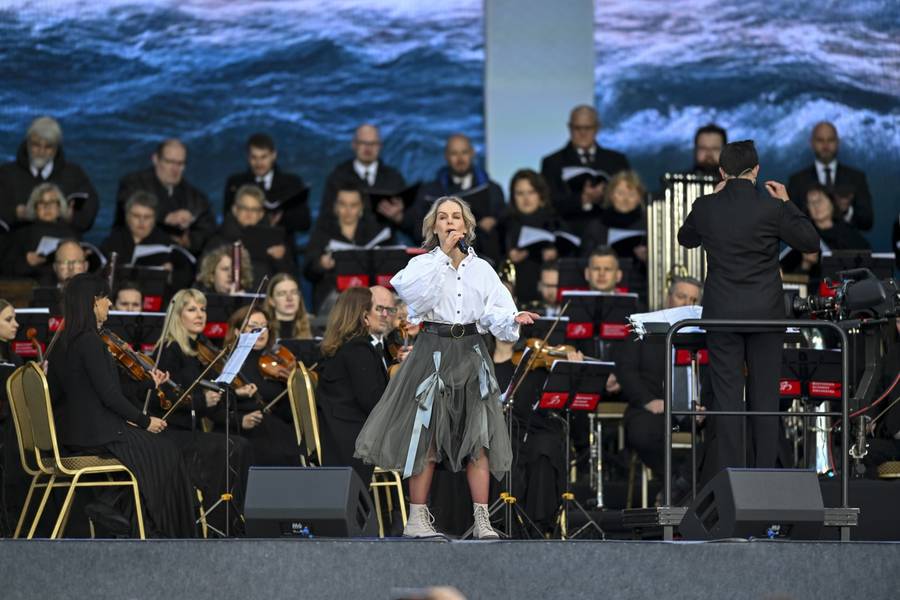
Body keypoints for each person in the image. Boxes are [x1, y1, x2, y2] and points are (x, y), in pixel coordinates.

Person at [355, 196, 539, 539]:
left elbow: (493, 312)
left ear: (466, 227)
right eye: (443, 218)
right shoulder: (423, 265)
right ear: (434, 227)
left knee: (478, 437)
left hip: (470, 350)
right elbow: (416, 299)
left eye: (457, 217)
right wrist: (443, 257)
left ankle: (482, 519)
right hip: (433, 350)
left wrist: (513, 317)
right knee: (426, 437)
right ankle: (416, 519)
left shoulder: (482, 269)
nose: (450, 222)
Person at [678, 140, 820, 478]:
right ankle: (764, 482)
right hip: (765, 316)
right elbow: (811, 243)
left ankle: (729, 485)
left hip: (722, 316)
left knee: (726, 404)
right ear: (756, 170)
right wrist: (787, 202)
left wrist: (712, 199)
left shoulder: (706, 206)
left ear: (722, 172)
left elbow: (686, 238)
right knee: (765, 402)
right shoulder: (772, 207)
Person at [45, 273, 195, 537]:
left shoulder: (61, 342)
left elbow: (93, 392)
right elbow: (109, 396)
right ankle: (154, 528)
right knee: (166, 452)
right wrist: (145, 421)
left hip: (75, 433)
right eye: (106, 298)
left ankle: (119, 511)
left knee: (154, 451)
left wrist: (148, 385)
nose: (110, 304)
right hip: (97, 435)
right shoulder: (90, 341)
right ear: (93, 302)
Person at [154, 288, 252, 534]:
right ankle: (218, 523)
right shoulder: (168, 351)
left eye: (203, 309)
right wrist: (200, 400)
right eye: (191, 309)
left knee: (240, 444)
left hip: (191, 429)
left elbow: (210, 399)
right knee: (229, 447)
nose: (200, 315)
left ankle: (233, 519)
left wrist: (231, 394)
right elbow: (165, 399)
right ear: (177, 316)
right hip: (170, 433)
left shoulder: (200, 350)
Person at [616, 278, 703, 480]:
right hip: (658, 412)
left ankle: (691, 483)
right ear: (668, 297)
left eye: (693, 300)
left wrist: (707, 405)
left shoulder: (704, 332)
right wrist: (648, 401)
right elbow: (625, 369)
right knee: (642, 433)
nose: (686, 304)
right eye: (681, 296)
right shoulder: (642, 327)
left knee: (730, 428)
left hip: (696, 414)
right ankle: (675, 481)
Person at [316, 287, 393, 485]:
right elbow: (373, 402)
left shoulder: (344, 346)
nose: (383, 315)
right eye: (375, 310)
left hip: (339, 434)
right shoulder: (359, 349)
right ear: (363, 316)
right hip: (354, 439)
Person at [221, 306, 301, 466]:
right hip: (247, 428)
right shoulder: (230, 361)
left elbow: (286, 408)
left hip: (277, 427)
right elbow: (223, 402)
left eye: (264, 326)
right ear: (237, 331)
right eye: (253, 326)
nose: (261, 331)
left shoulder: (277, 360)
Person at [412, 134, 505, 263]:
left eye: (464, 152)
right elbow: (418, 230)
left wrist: (492, 223)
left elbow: (504, 229)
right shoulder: (429, 192)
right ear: (446, 156)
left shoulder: (492, 189)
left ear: (472, 153)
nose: (460, 158)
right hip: (441, 264)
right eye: (454, 153)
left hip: (485, 262)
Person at [115, 139, 216, 253]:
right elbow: (127, 207)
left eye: (180, 163)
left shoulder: (197, 197)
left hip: (179, 258)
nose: (175, 169)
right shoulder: (132, 183)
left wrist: (189, 240)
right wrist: (165, 217)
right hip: (132, 250)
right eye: (169, 162)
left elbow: (208, 230)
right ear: (155, 159)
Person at [0, 116, 99, 232]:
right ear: (27, 144)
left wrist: (71, 216)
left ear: (56, 148)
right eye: (36, 145)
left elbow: (89, 211)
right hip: (18, 242)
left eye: (48, 147)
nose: (41, 152)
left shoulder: (74, 174)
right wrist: (16, 213)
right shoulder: (6, 174)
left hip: (63, 240)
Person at [540, 105, 630, 231]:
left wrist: (605, 196)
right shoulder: (552, 162)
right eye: (577, 128)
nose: (583, 133)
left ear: (597, 128)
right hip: (570, 235)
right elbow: (549, 205)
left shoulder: (617, 161)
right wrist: (582, 199)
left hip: (610, 233)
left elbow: (630, 200)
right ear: (569, 128)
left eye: (588, 128)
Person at [304, 184, 388, 312]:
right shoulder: (322, 232)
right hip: (334, 297)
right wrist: (321, 264)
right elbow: (307, 271)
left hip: (368, 295)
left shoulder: (374, 231)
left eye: (353, 205)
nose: (348, 210)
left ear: (361, 208)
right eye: (343, 204)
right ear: (335, 207)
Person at [786, 121, 873, 231]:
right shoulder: (797, 181)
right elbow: (789, 224)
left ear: (837, 142)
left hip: (848, 246)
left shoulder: (856, 178)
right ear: (812, 143)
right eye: (820, 140)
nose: (826, 146)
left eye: (830, 140)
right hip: (810, 246)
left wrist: (847, 211)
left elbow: (868, 222)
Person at [100, 191, 194, 291]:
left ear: (154, 219)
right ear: (127, 217)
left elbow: (186, 277)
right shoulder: (112, 242)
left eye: (147, 217)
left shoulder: (168, 245)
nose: (141, 221)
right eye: (136, 216)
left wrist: (171, 275)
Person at [319, 124, 406, 231]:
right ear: (354, 145)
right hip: (346, 242)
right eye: (363, 143)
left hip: (385, 244)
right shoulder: (338, 176)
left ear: (380, 146)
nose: (368, 148)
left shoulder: (393, 177)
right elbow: (325, 217)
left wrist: (398, 217)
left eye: (373, 143)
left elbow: (410, 222)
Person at [499, 169, 566, 306]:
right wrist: (508, 257)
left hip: (551, 297)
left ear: (540, 194)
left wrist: (555, 254)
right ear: (513, 196)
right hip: (515, 296)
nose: (526, 199)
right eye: (520, 193)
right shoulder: (504, 224)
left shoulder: (555, 222)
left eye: (531, 192)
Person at [223, 133, 311, 235]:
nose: (259, 163)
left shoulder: (292, 182)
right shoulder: (235, 183)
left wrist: (280, 217)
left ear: (274, 155)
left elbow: (305, 223)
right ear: (248, 157)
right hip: (244, 243)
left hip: (282, 245)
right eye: (254, 157)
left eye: (263, 157)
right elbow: (227, 221)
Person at [205, 184, 293, 284]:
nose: (249, 213)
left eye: (254, 209)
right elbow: (204, 277)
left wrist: (280, 261)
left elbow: (288, 281)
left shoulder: (274, 241)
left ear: (261, 214)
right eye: (244, 208)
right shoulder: (217, 242)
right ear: (235, 209)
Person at [4, 183, 78, 283]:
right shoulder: (21, 234)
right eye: (41, 203)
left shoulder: (72, 233)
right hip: (32, 286)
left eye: (52, 202)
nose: (47, 207)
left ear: (59, 206)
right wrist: (26, 262)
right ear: (35, 207)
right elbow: (6, 269)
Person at [804, 185, 870, 250]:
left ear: (831, 202)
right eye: (811, 202)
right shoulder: (805, 236)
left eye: (820, 200)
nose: (816, 206)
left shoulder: (850, 233)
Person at [265, 273, 313, 340]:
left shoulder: (313, 330)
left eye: (294, 292)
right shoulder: (264, 331)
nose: (289, 298)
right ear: (271, 301)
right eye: (282, 294)